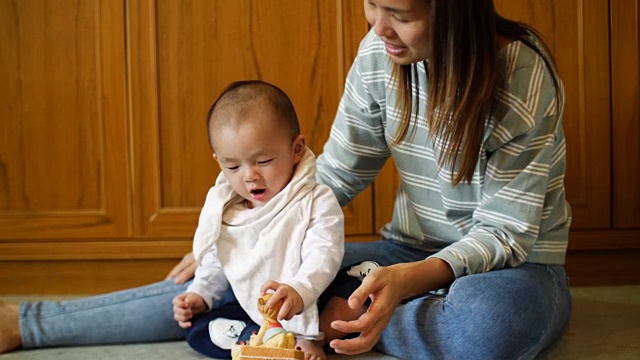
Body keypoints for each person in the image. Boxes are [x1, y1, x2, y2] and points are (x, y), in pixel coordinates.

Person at [0, 1, 572, 359]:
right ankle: (29, 324)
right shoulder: (379, 57)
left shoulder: (521, 76)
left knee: (488, 326)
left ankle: (321, 320)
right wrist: (248, 234)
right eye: (372, 3)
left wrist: (407, 281)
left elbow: (507, 232)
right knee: (245, 271)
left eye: (400, 13)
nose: (379, 28)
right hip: (405, 250)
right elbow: (339, 172)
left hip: (516, 269)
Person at [174, 80, 344, 359]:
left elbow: (324, 253)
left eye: (263, 161)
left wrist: (299, 290)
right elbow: (219, 262)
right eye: (233, 166)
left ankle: (303, 339)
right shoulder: (226, 208)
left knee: (357, 286)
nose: (249, 175)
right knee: (197, 330)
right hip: (257, 310)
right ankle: (264, 341)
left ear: (296, 149)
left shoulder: (315, 200)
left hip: (311, 296)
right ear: (218, 161)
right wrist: (200, 294)